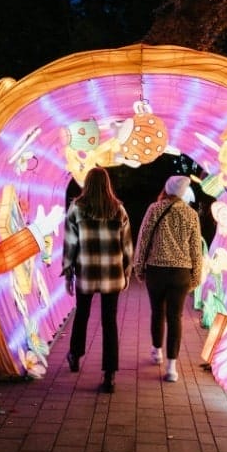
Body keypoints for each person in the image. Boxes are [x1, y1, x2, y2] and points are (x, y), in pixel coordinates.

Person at [62, 167, 133, 393]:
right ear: (107, 184)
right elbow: (127, 246)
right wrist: (127, 272)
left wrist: (68, 272)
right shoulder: (118, 209)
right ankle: (109, 374)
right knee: (109, 321)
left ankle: (75, 354)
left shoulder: (77, 209)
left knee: (82, 314)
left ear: (87, 184)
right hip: (112, 275)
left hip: (86, 272)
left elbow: (70, 243)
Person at [133, 175, 203, 382]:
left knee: (157, 312)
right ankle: (172, 367)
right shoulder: (191, 214)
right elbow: (195, 249)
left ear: (167, 188)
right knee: (175, 317)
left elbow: (143, 239)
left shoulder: (154, 209)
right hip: (181, 272)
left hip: (156, 270)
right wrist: (196, 276)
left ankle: (157, 351)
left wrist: (139, 267)